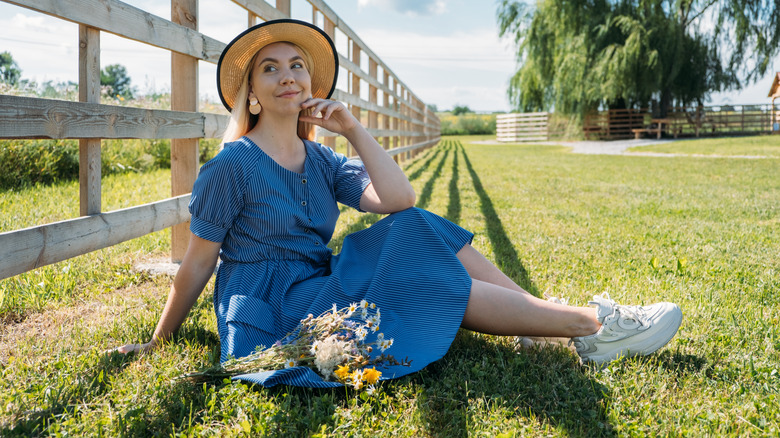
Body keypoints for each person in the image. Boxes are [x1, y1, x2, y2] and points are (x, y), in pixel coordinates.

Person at [116, 19, 682, 387]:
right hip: (274, 305)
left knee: (415, 226)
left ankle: (540, 319)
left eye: (297, 66)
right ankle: (592, 325)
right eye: (271, 68)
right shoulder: (231, 167)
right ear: (252, 93)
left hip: (320, 279)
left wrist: (355, 129)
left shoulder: (323, 162)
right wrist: (160, 340)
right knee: (422, 278)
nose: (287, 76)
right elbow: (197, 264)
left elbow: (398, 198)